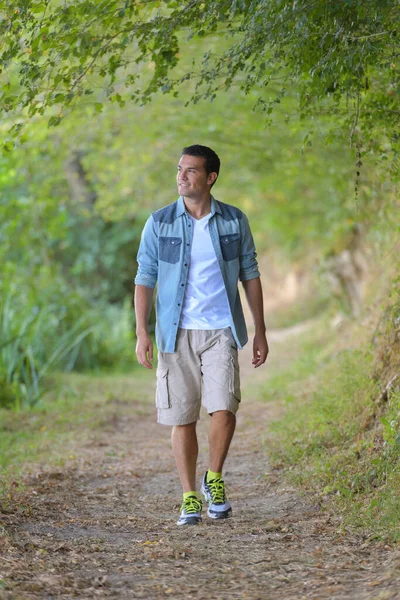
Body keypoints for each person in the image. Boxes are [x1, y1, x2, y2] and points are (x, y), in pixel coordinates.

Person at [134, 144, 269, 526]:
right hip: (175, 334)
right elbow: (145, 278)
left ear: (210, 178)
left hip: (221, 329)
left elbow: (250, 274)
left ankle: (214, 477)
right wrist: (142, 332)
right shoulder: (159, 222)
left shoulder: (233, 221)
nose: (181, 176)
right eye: (180, 169)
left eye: (191, 171)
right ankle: (189, 495)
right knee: (182, 417)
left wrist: (260, 329)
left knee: (224, 406)